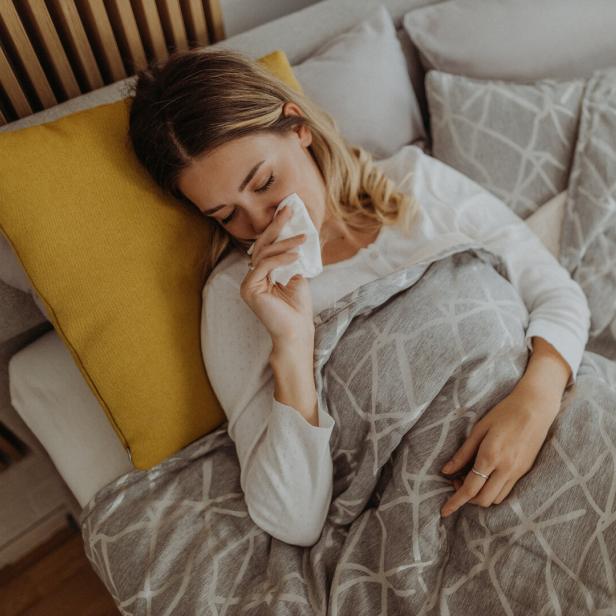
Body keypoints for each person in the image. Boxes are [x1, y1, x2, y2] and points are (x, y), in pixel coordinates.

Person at [127, 47, 591, 547]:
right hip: (455, 518)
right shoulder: (236, 295)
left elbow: (555, 291)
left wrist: (537, 400)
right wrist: (292, 345)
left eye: (265, 182)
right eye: (225, 214)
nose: (260, 222)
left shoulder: (415, 182)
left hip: (567, 414)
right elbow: (293, 520)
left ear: (297, 127)